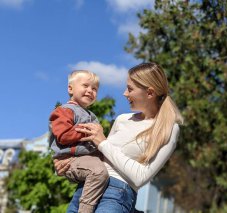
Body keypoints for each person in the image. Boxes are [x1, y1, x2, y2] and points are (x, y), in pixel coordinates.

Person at [54, 62, 184, 213]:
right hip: (86, 188)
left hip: (117, 193)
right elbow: (101, 158)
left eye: (130, 89)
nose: (125, 93)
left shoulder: (169, 128)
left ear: (149, 93)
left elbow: (141, 177)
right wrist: (67, 163)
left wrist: (103, 142)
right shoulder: (122, 119)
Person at [48, 70, 109, 213]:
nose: (90, 91)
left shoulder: (91, 115)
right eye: (85, 86)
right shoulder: (64, 111)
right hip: (70, 159)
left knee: (104, 167)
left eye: (94, 89)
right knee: (98, 171)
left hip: (86, 159)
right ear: (70, 88)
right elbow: (63, 135)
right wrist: (89, 131)